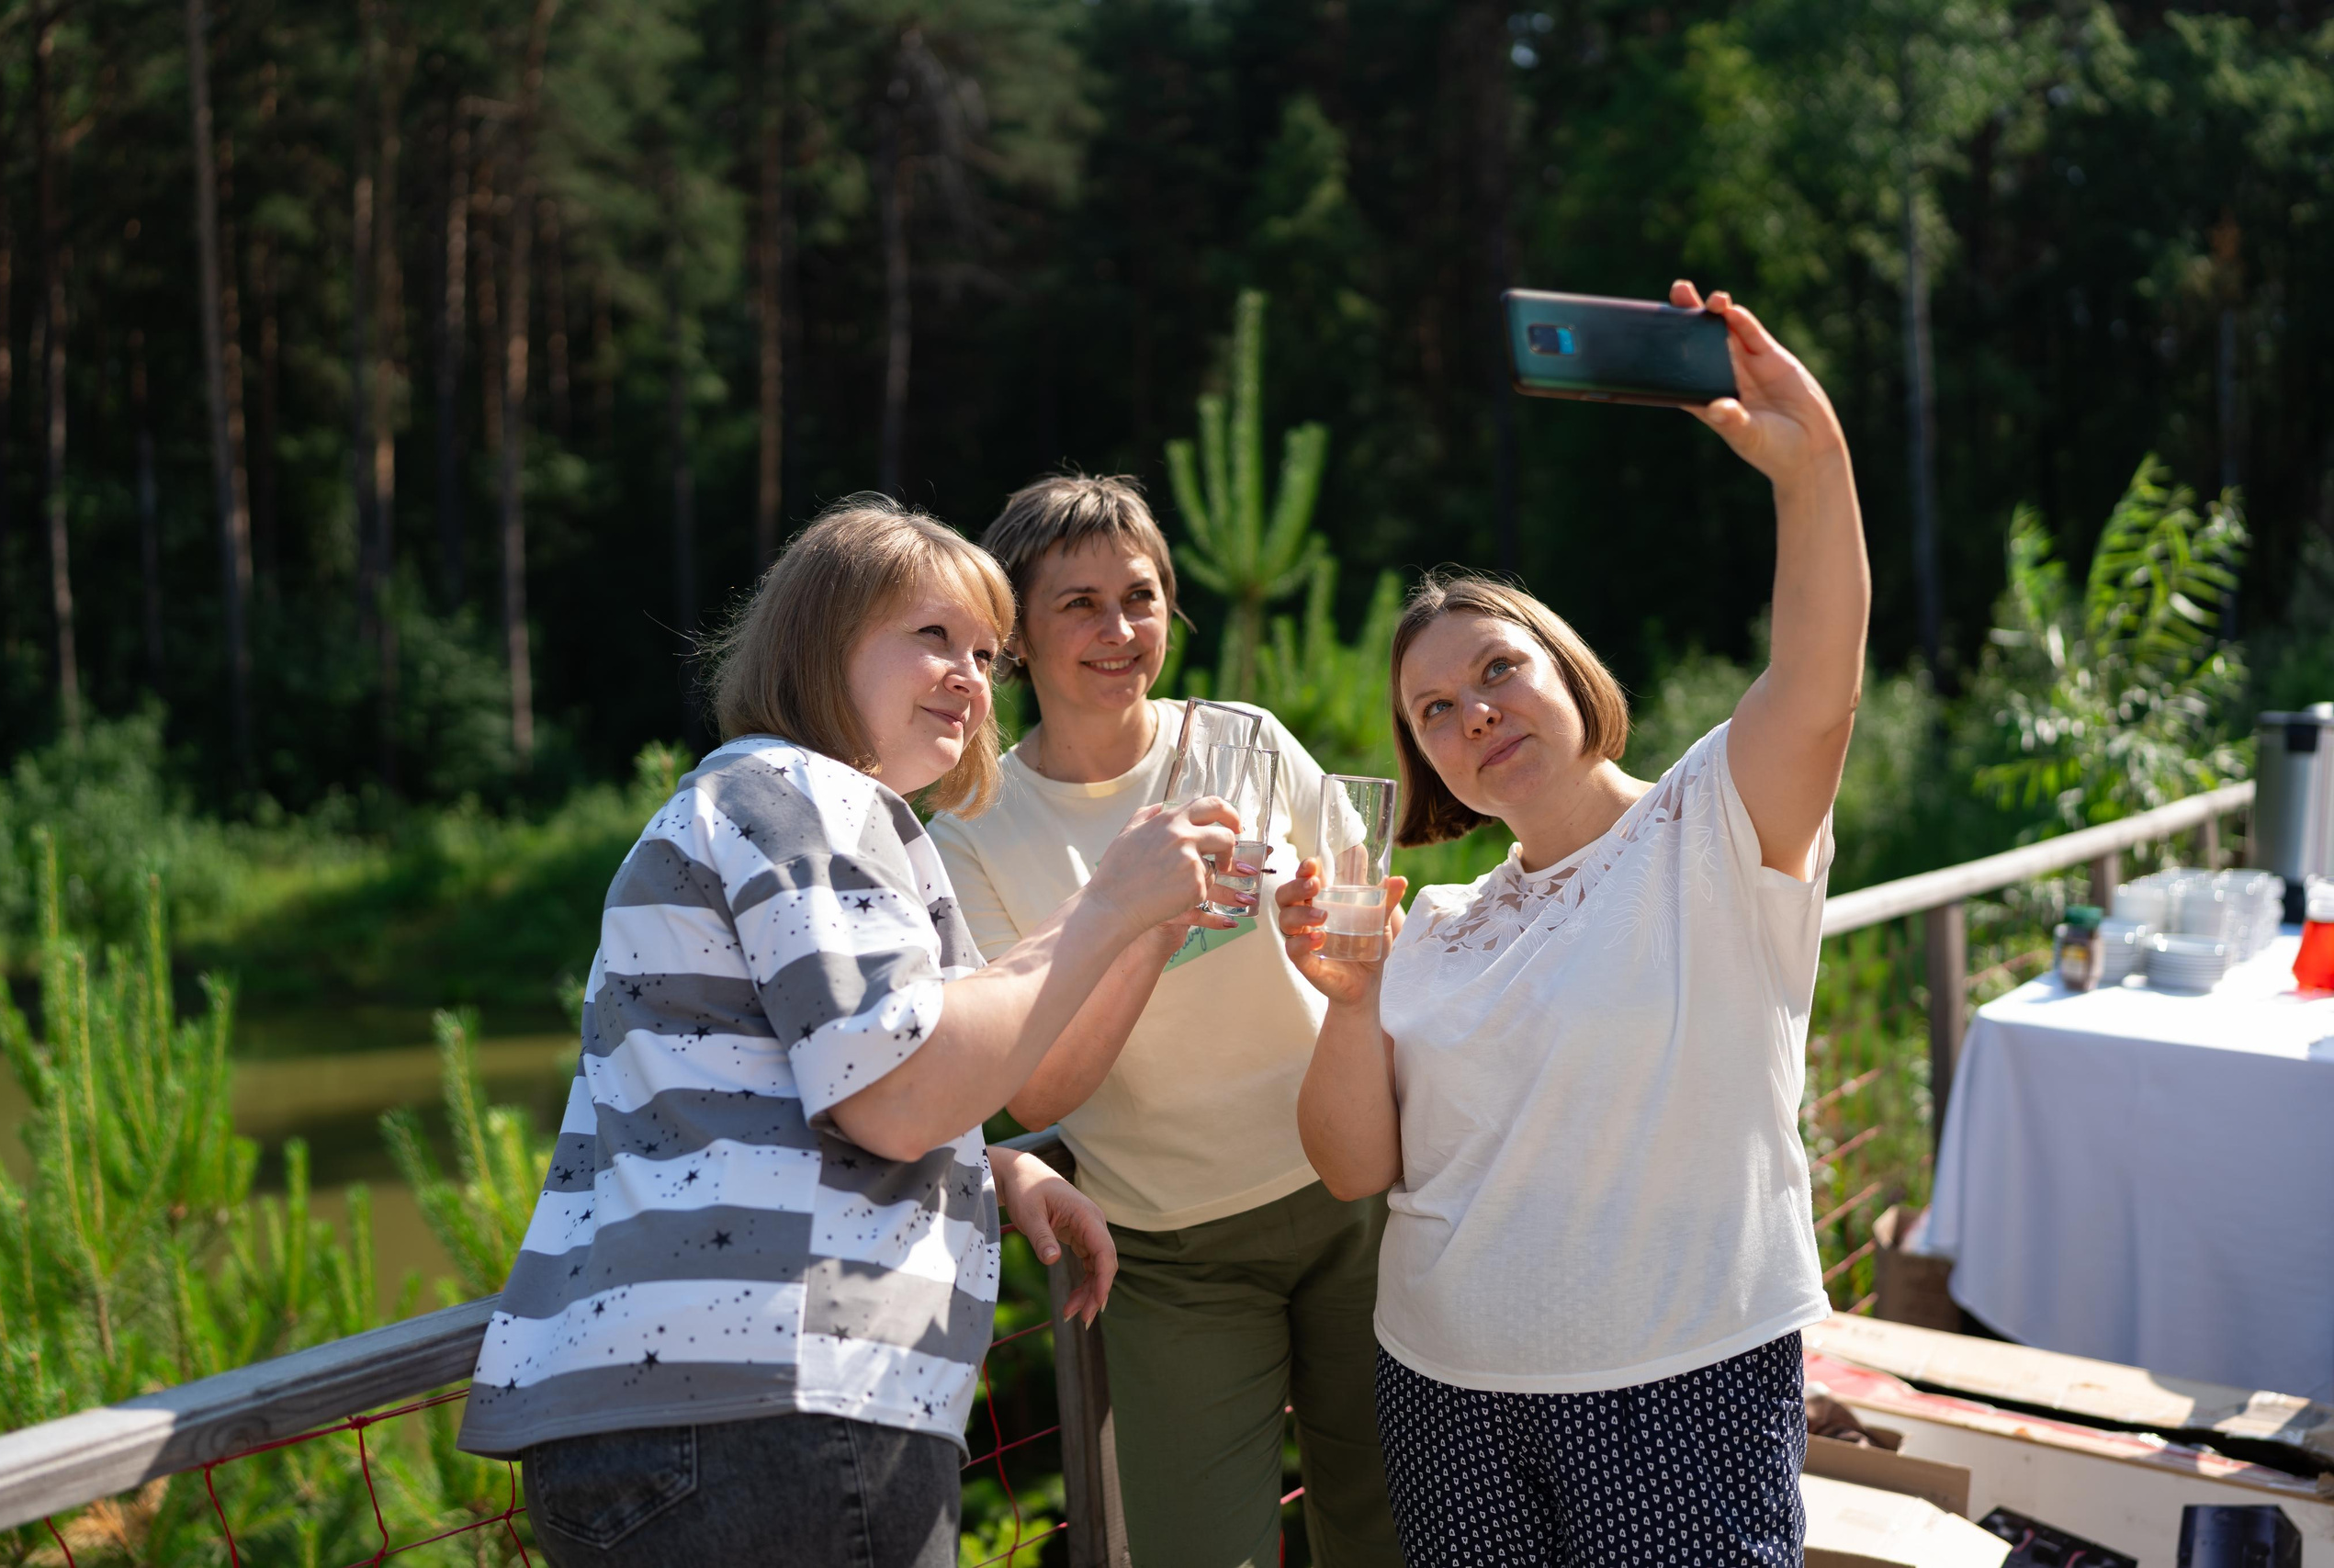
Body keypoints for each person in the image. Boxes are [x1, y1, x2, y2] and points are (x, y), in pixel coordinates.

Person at [457, 495, 1251, 1568]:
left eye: (987, 654)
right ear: (820, 644)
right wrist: (1110, 900)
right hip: (779, 1415)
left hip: (654, 1428)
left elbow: (800, 1082)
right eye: (933, 636)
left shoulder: (752, 803)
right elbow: (900, 1097)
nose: (970, 677)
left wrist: (985, 1168)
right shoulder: (803, 791)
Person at [1280, 282, 1869, 1566]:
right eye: (1434, 710)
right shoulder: (1432, 922)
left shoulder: (1712, 825)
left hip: (1678, 1385)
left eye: (1499, 668)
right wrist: (1349, 999)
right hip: (1442, 1391)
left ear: (1567, 669)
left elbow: (1819, 686)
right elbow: (1353, 1169)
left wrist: (1811, 466)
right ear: (1427, 761)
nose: (1475, 713)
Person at [928, 475, 1405, 1568]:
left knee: (1386, 1537)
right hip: (1171, 1257)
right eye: (1079, 605)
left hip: (1354, 1203)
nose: (1119, 630)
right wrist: (1150, 922)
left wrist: (1335, 932)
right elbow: (1036, 1091)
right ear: (1015, 637)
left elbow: (1371, 915)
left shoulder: (1247, 740)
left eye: (1139, 598)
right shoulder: (970, 832)